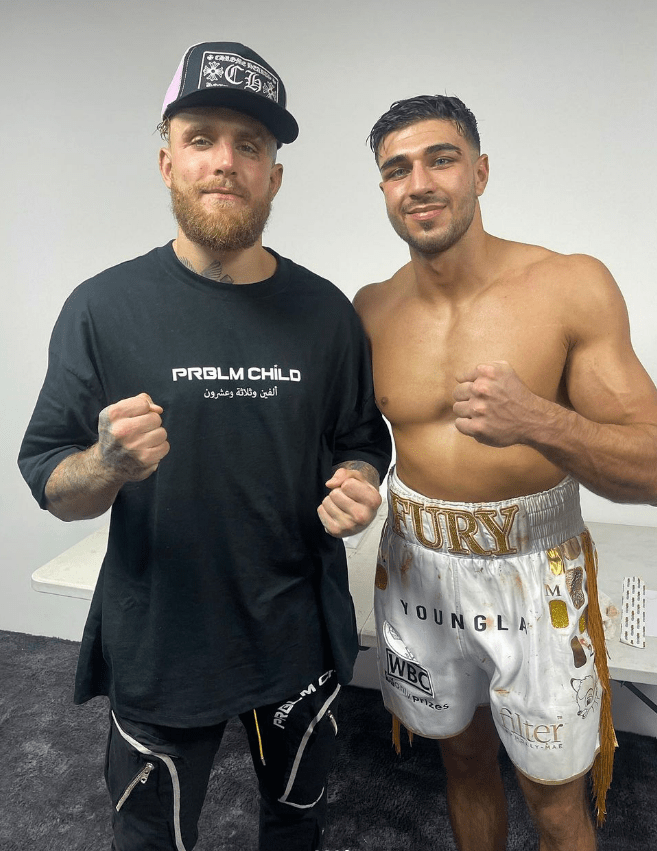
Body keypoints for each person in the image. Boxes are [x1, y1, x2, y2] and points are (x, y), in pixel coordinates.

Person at [18, 41, 391, 851]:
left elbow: (362, 440)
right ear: (166, 163)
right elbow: (51, 477)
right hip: (161, 638)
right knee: (154, 842)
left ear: (275, 176)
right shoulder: (102, 308)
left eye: (249, 144)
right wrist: (106, 465)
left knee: (296, 828)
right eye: (201, 138)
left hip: (298, 633)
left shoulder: (327, 313)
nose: (225, 161)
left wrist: (360, 479)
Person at [354, 95, 657, 851]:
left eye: (440, 158)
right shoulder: (369, 310)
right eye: (396, 169)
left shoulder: (567, 285)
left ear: (480, 171)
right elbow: (356, 444)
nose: (420, 182)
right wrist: (353, 481)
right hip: (416, 564)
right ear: (383, 190)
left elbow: (656, 469)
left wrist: (536, 418)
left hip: (535, 569)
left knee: (553, 794)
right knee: (462, 760)